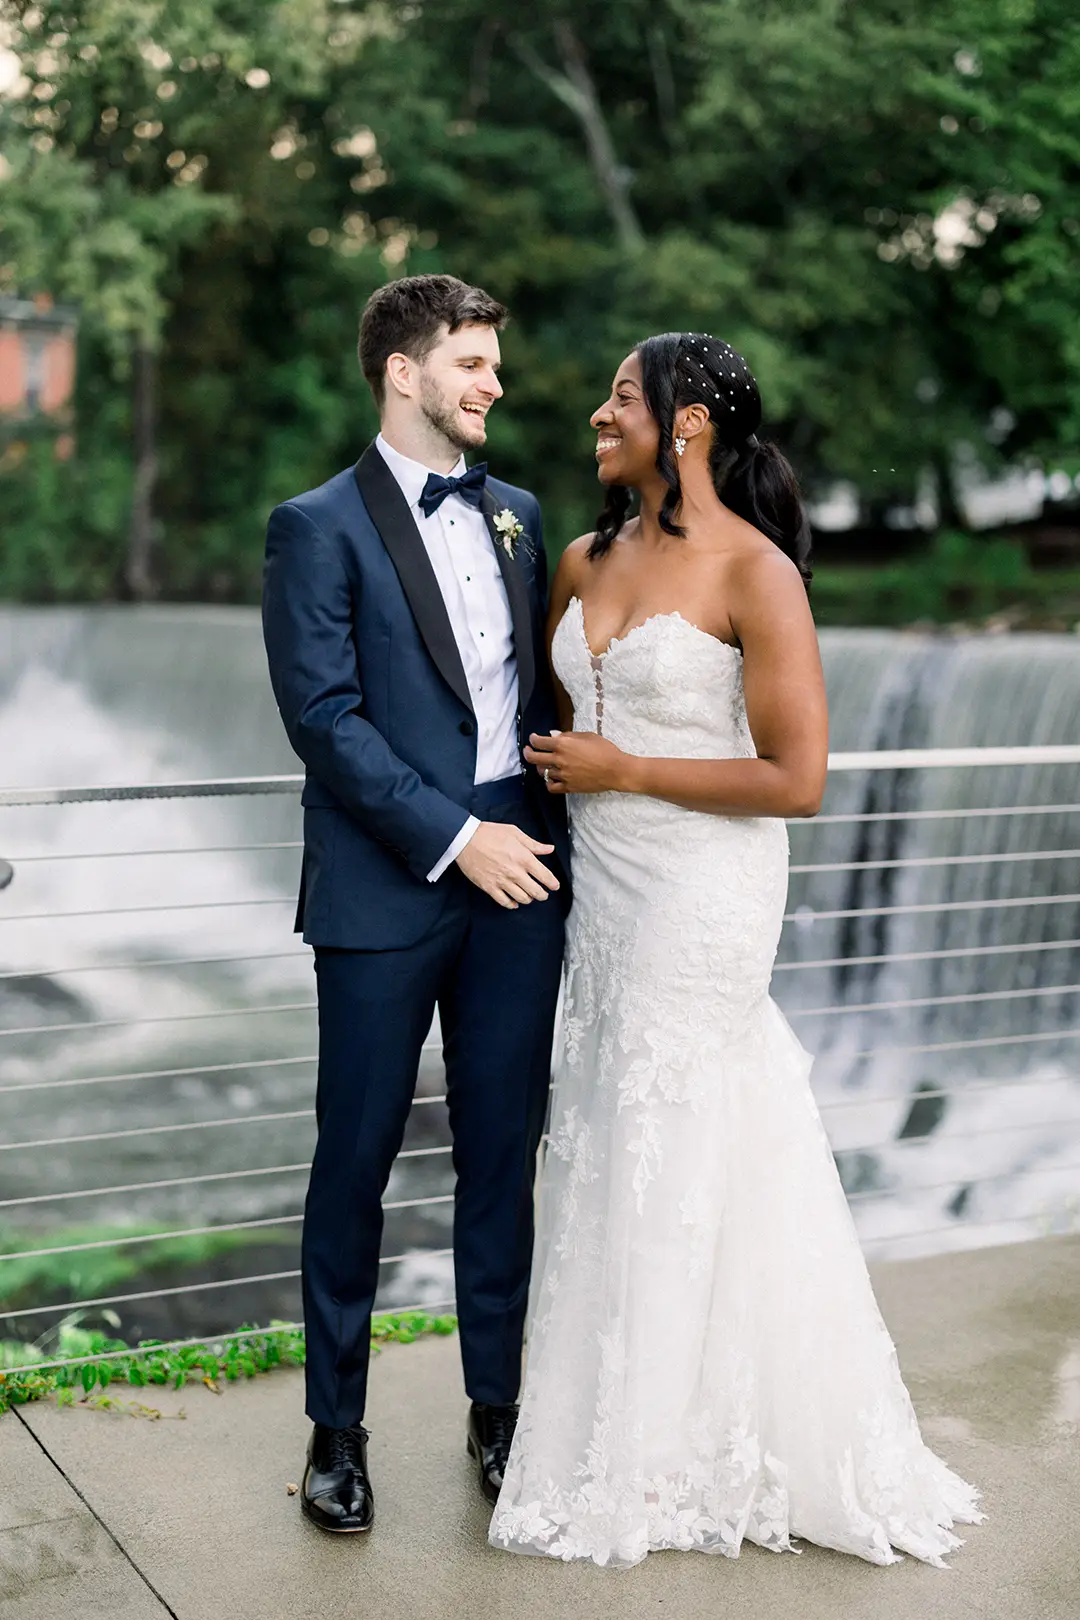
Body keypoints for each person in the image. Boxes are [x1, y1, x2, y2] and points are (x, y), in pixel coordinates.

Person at [490, 332, 982, 1567]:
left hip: (704, 885)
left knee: (675, 1122)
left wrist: (630, 767)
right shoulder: (578, 557)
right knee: (610, 1127)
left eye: (620, 396)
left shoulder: (756, 573)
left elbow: (800, 780)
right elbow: (545, 722)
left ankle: (660, 1464)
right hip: (598, 888)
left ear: (688, 422)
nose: (599, 413)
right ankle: (623, 1422)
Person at [262, 274, 569, 1535]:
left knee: (502, 1155)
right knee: (357, 1162)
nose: (494, 384)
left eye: (494, 364)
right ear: (405, 371)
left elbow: (532, 705)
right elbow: (323, 719)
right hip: (391, 886)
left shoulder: (522, 515)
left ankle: (499, 1418)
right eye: (473, 363)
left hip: (527, 883)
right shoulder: (314, 525)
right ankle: (337, 1435)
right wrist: (457, 839)